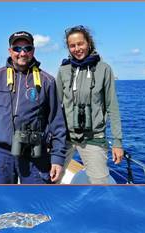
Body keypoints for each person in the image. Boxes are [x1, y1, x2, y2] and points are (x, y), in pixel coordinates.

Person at [0, 31, 67, 184]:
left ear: (33, 51)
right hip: (1, 155)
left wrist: (58, 158)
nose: (22, 53)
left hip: (35, 155)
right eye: (17, 49)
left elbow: (57, 122)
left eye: (27, 48)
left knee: (36, 202)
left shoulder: (47, 81)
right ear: (10, 51)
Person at [56, 25, 123, 183]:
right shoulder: (63, 70)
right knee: (51, 178)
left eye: (81, 44)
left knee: (100, 183)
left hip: (94, 137)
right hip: (64, 137)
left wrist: (117, 142)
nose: (77, 48)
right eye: (72, 45)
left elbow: (112, 107)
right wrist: (49, 137)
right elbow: (55, 107)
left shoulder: (104, 69)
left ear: (89, 43)